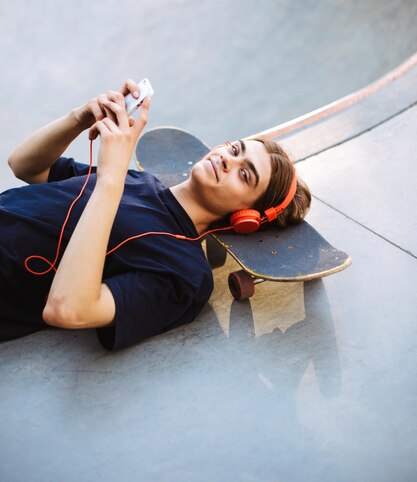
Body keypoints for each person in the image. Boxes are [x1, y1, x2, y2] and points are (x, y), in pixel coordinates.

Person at [0, 79, 311, 351]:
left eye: (246, 175)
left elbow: (68, 309)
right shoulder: (140, 181)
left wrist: (111, 178)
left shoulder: (186, 275)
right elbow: (24, 166)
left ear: (246, 218)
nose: (228, 160)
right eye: (234, 149)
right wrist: (78, 117)